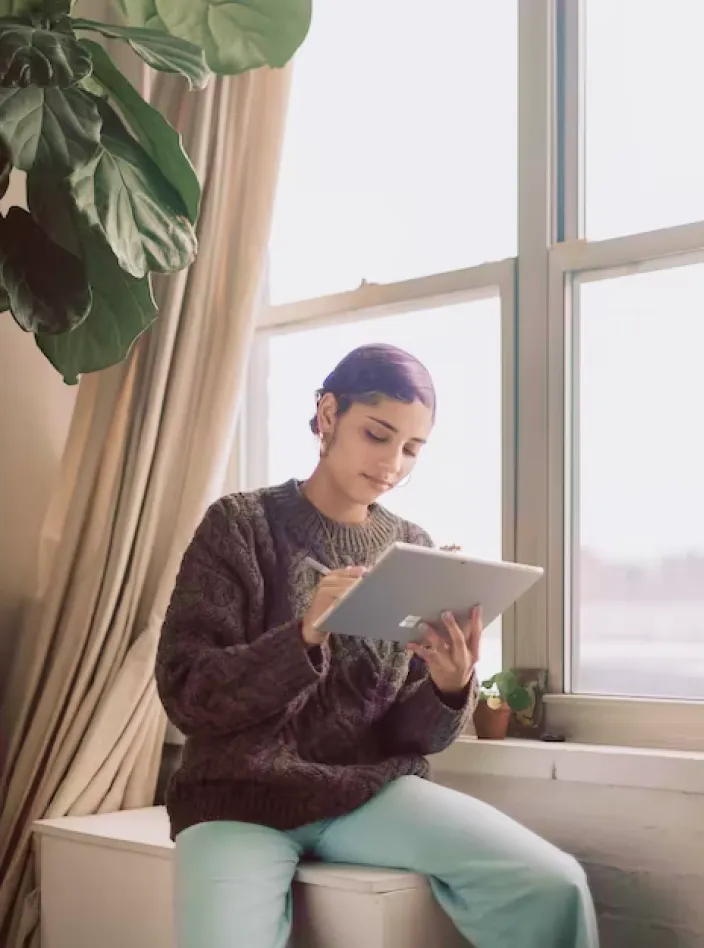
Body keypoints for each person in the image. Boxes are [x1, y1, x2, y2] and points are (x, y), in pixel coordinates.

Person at [156, 343, 599, 948]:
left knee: (554, 883)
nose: (393, 462)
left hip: (363, 794)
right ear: (330, 413)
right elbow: (187, 693)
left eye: (412, 448)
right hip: (236, 800)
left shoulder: (409, 546)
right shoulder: (240, 525)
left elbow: (407, 737)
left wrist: (448, 685)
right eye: (378, 435)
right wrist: (306, 634)